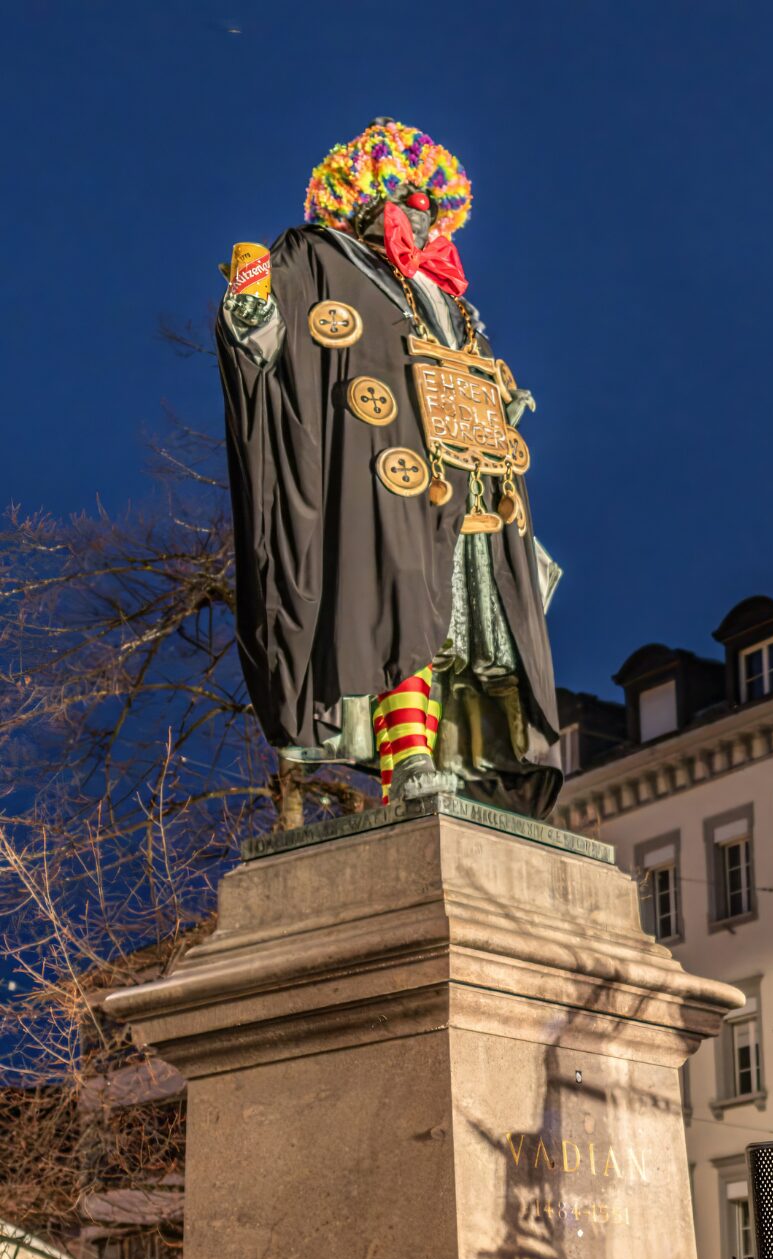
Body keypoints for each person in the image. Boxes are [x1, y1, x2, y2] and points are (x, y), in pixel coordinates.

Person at [217, 119, 564, 817]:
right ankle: (406, 760)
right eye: (406, 200)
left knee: (470, 626)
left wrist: (501, 402)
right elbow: (268, 338)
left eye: (431, 206)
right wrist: (249, 304)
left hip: (476, 480)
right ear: (368, 200)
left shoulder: (451, 299)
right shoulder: (319, 257)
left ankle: (456, 762)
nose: (422, 216)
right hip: (385, 478)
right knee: (399, 607)